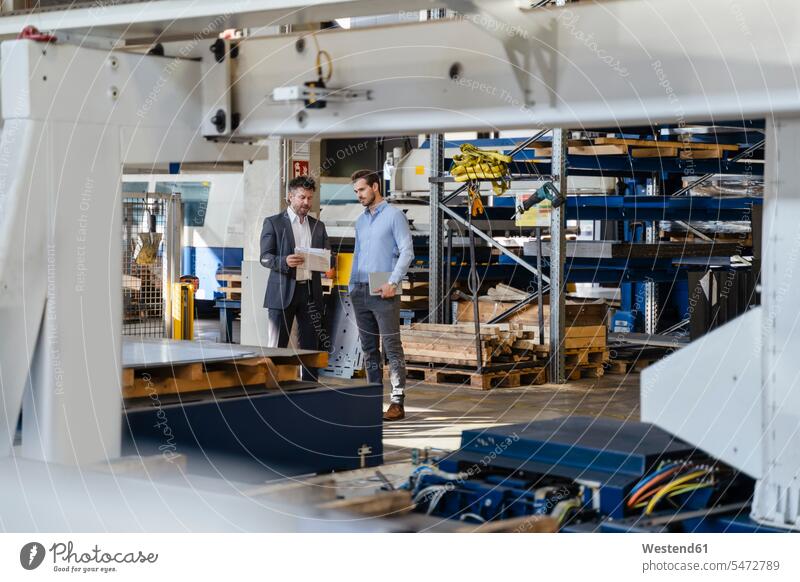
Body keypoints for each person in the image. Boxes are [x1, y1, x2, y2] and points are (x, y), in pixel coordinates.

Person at [349, 169, 414, 421]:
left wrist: (392, 281)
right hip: (360, 287)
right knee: (368, 348)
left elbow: (407, 252)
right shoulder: (361, 220)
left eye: (362, 190)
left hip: (384, 285)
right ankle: (373, 397)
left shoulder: (394, 216)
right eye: (356, 192)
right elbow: (357, 254)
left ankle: (397, 401)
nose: (359, 195)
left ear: (375, 186)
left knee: (391, 346)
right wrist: (351, 284)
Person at [260, 176, 330, 380]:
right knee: (277, 346)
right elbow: (264, 258)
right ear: (290, 196)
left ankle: (310, 388)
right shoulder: (273, 223)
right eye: (302, 197)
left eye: (309, 198)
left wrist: (327, 262)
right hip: (282, 291)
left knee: (310, 346)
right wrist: (284, 261)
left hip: (310, 292)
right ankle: (272, 386)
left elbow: (328, 255)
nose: (306, 203)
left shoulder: (318, 226)